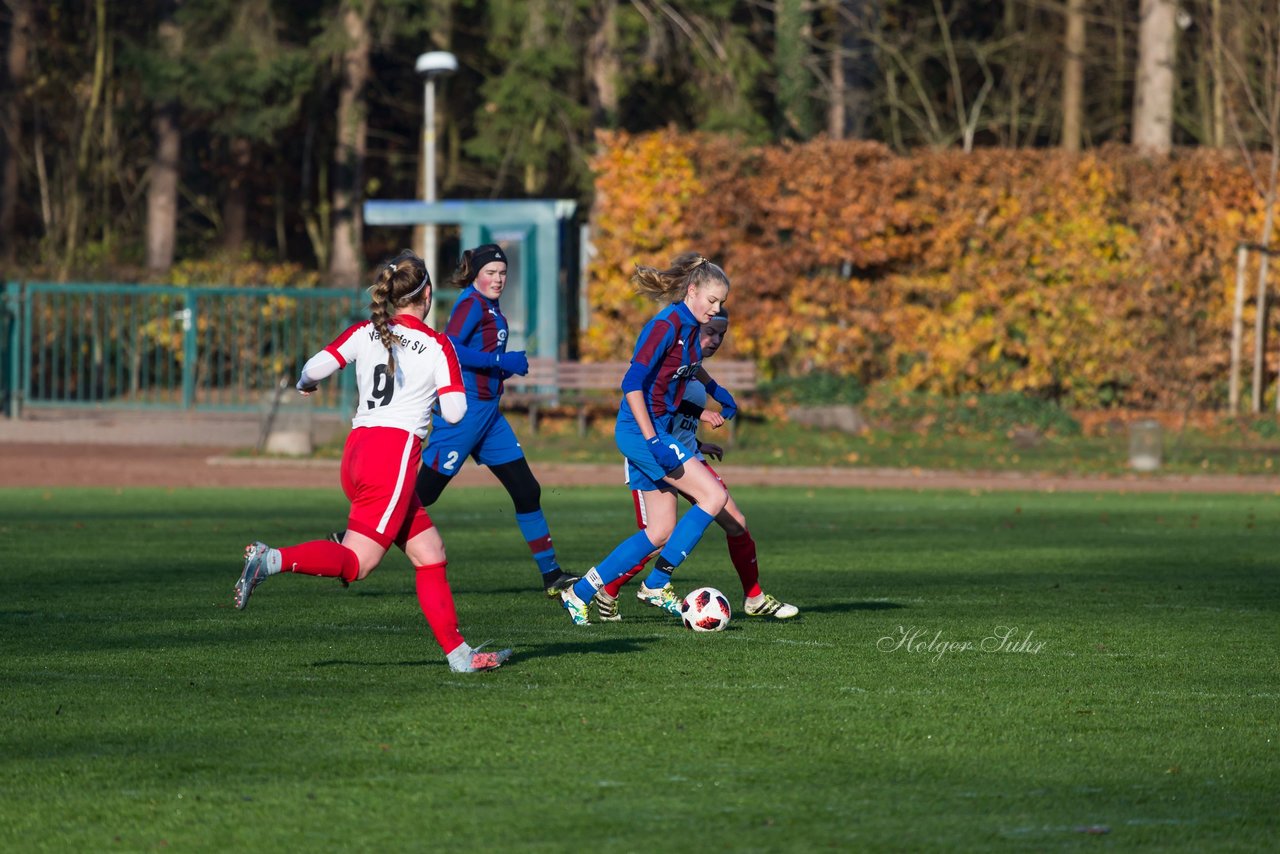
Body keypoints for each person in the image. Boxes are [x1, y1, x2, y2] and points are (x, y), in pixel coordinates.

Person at [233, 250, 511, 674]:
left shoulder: (367, 331)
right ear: (428, 295)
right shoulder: (438, 345)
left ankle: (459, 655)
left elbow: (312, 369)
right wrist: (431, 394)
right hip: (392, 460)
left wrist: (307, 385)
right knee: (358, 564)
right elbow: (455, 412)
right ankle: (270, 559)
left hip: (357, 452)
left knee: (429, 551)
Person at [559, 252, 733, 625]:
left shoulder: (689, 327)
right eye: (712, 300)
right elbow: (632, 383)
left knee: (659, 531)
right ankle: (656, 584)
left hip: (658, 430)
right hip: (643, 431)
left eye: (721, 303)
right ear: (692, 291)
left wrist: (715, 390)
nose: (716, 308)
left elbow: (684, 368)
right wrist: (654, 440)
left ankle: (579, 593)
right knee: (714, 496)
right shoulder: (665, 325)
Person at [594, 308, 799, 622]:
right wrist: (703, 409)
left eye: (722, 334)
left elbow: (682, 406)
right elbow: (658, 408)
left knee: (736, 522)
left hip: (688, 455)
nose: (716, 340)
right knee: (657, 536)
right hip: (653, 457)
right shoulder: (671, 358)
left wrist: (701, 438)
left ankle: (754, 597)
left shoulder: (693, 363)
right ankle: (607, 590)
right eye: (711, 331)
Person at [410, 243, 577, 597]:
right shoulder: (471, 303)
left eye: (502, 273)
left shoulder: (489, 304)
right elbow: (450, 347)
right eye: (491, 273)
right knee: (424, 493)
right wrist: (502, 363)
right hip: (464, 412)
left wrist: (500, 365)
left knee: (527, 490)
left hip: (489, 415)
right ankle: (356, 537)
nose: (498, 279)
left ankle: (552, 576)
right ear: (475, 274)